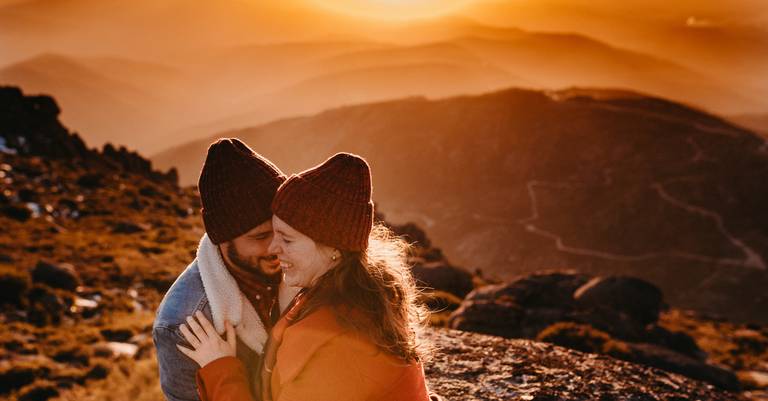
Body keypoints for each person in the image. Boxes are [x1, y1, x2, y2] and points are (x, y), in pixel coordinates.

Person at [177, 152, 434, 401]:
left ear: (334, 247)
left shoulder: (340, 342)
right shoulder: (352, 289)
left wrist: (220, 368)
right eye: (271, 233)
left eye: (287, 239)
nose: (274, 249)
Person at [153, 138, 299, 401]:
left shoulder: (306, 266)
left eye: (283, 230)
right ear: (221, 238)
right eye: (260, 237)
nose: (277, 246)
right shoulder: (182, 324)